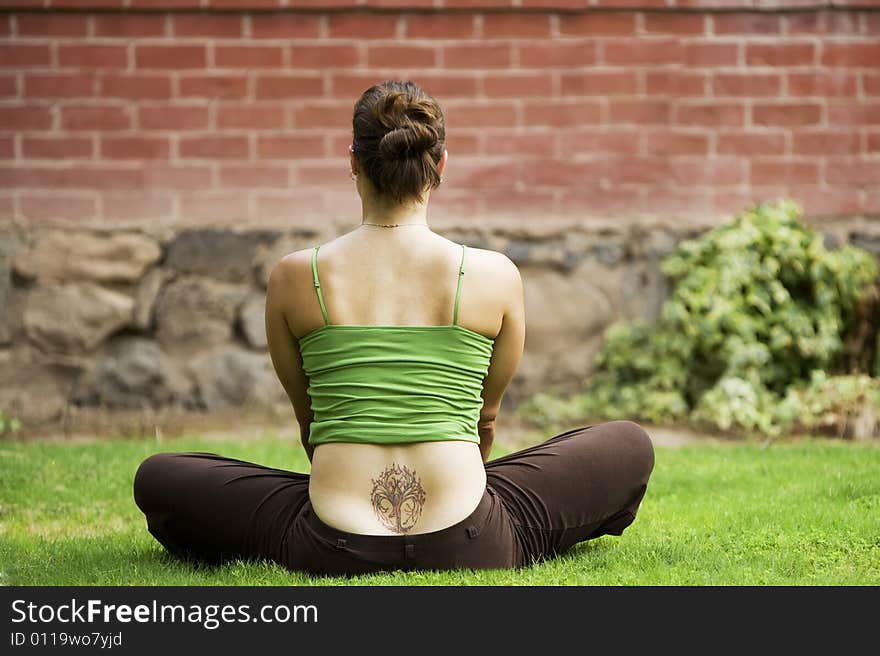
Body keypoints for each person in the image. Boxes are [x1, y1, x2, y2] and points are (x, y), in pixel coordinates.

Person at [133, 79, 655, 576]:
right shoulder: (494, 274)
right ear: (441, 165)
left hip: (329, 540)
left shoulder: (296, 276)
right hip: (472, 535)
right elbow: (484, 422)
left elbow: (311, 423)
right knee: (629, 444)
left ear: (353, 162)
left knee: (159, 477)